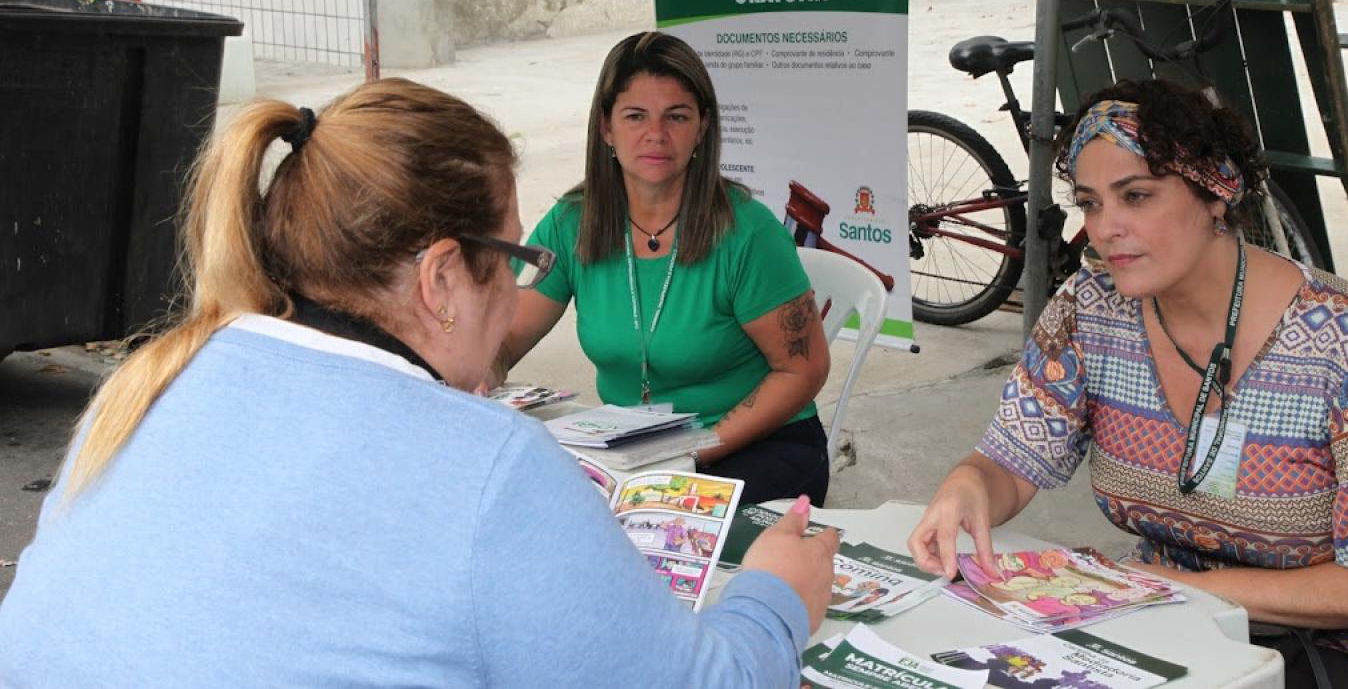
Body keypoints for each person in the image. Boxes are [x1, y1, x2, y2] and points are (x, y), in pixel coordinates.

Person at [0, 79, 840, 686]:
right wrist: (773, 597)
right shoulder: (490, 466)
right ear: (442, 280)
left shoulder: (152, 380)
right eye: (513, 260)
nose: (521, 291)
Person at [907, 79, 1348, 687]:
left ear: (1215, 194)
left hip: (1336, 645)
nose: (1105, 227)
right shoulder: (1090, 308)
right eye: (1090, 203)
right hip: (1159, 615)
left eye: (1135, 196)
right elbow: (1010, 462)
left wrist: (1182, 589)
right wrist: (967, 485)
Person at [496, 31, 832, 505]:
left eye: (677, 116)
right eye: (635, 116)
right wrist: (479, 371)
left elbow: (803, 370)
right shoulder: (572, 222)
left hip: (757, 446)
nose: (656, 134)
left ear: (702, 128)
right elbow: (507, 337)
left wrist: (692, 453)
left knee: (650, 524)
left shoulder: (747, 232)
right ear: (606, 128)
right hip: (633, 451)